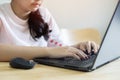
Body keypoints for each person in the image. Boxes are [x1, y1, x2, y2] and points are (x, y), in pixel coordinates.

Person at [0, 0, 99, 62]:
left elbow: (58, 48)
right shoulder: (2, 15)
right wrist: (47, 51)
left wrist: (76, 47)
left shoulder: (44, 14)